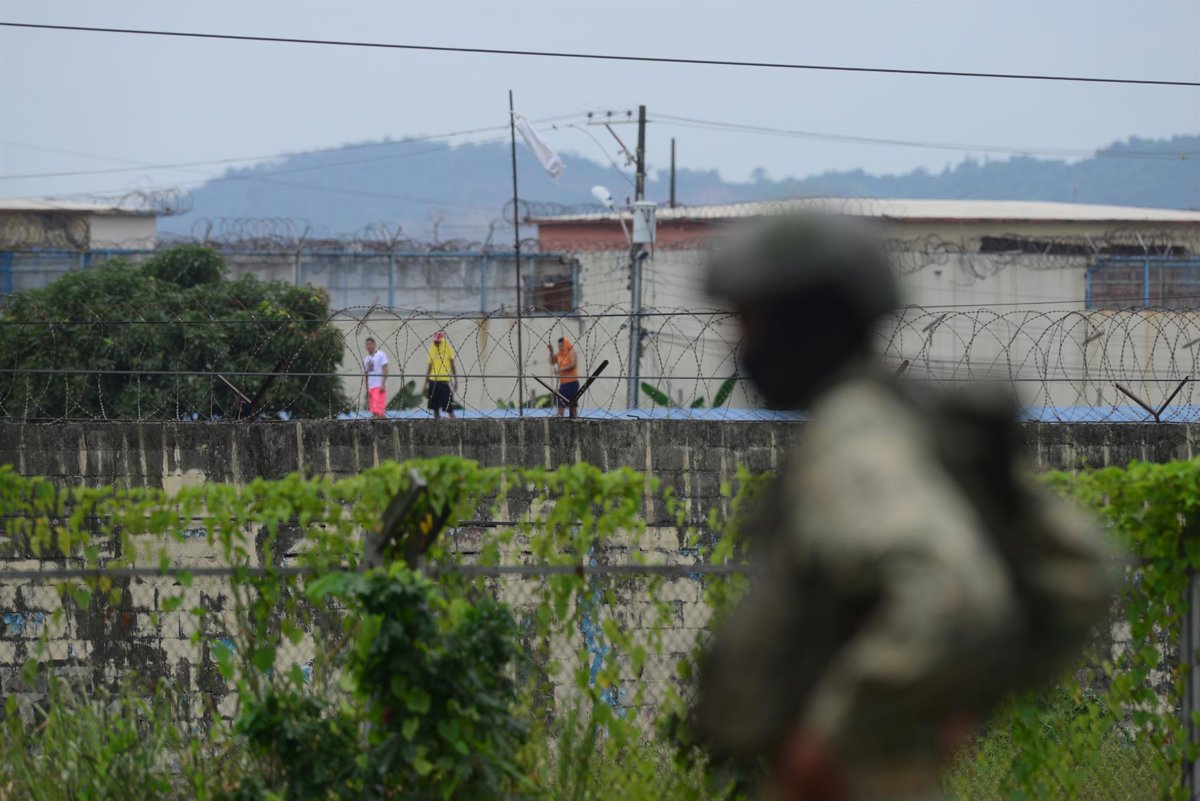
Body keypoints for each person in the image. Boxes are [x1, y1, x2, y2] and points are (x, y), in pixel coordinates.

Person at [692, 213, 1115, 801]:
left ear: (803, 325)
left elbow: (953, 592)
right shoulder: (901, 418)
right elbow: (1083, 568)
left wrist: (834, 736)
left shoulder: (854, 441)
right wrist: (951, 695)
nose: (741, 349)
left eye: (751, 323)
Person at [424, 331, 458, 420]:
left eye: (438, 342)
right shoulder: (432, 347)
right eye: (435, 341)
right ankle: (436, 426)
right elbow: (429, 367)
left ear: (442, 340)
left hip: (444, 381)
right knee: (435, 410)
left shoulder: (447, 346)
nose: (436, 343)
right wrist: (425, 384)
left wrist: (456, 380)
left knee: (449, 408)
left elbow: (452, 364)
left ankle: (454, 425)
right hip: (433, 381)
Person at [549, 335, 580, 419]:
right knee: (560, 404)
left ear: (566, 344)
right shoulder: (559, 354)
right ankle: (560, 420)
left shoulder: (571, 352)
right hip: (563, 384)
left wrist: (560, 369)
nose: (561, 347)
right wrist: (551, 351)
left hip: (572, 383)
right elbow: (552, 361)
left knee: (572, 405)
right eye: (559, 346)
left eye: (562, 345)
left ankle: (574, 420)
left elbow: (572, 364)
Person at [362, 337, 389, 418]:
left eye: (370, 344)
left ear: (374, 344)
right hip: (370, 387)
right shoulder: (366, 359)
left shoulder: (380, 355)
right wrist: (367, 388)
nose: (368, 346)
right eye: (367, 344)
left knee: (379, 410)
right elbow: (366, 374)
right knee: (373, 410)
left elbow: (385, 368)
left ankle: (380, 422)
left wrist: (383, 384)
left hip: (378, 386)